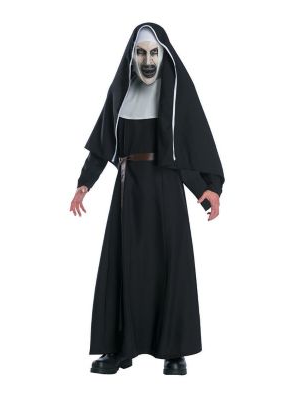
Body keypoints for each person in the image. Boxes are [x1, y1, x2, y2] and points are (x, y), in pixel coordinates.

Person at [70, 22, 225, 375]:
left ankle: (174, 350)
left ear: (164, 55)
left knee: (170, 265)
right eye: (141, 53)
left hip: (165, 188)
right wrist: (84, 183)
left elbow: (186, 148)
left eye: (154, 53)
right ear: (132, 56)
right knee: (123, 264)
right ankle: (118, 348)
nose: (148, 60)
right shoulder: (121, 92)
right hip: (128, 190)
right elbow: (104, 143)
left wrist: (206, 189)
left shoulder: (176, 95)